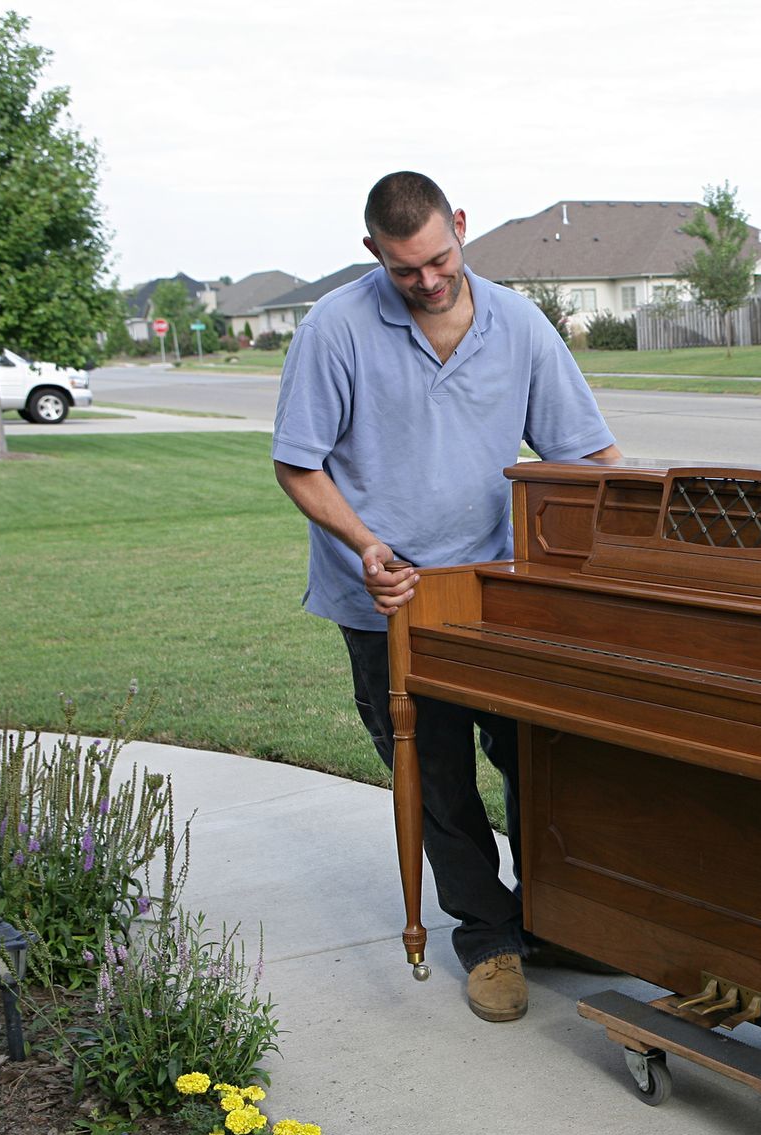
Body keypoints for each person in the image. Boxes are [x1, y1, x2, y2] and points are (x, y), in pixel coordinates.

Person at [273, 171, 622, 1025]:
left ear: (460, 226)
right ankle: (490, 938)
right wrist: (365, 547)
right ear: (373, 255)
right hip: (386, 601)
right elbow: (297, 463)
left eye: (438, 259)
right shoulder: (335, 329)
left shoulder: (519, 324)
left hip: (496, 594)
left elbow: (587, 459)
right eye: (404, 270)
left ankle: (556, 916)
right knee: (434, 778)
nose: (427, 281)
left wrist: (639, 534)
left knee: (539, 759)